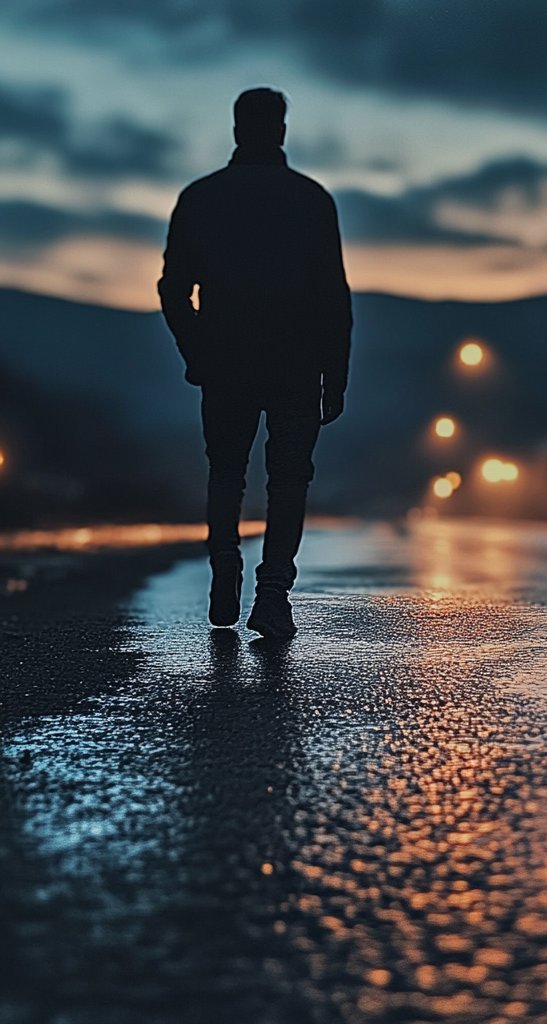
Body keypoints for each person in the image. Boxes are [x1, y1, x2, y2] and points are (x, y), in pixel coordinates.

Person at [158, 87, 352, 640]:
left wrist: (196, 351)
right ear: (281, 130)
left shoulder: (201, 197)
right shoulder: (311, 199)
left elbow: (173, 289)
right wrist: (335, 376)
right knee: (288, 480)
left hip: (226, 360)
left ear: (237, 128)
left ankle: (225, 561)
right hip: (296, 363)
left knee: (226, 471)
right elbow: (333, 297)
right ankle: (272, 594)